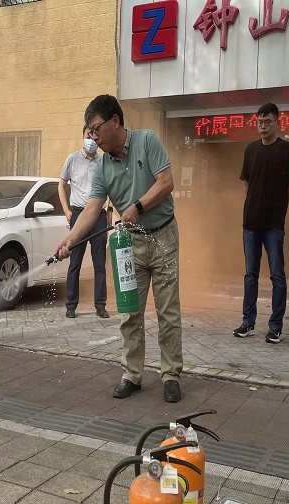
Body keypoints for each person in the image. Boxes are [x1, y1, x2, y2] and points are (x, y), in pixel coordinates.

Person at [54, 94, 183, 403]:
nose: (93, 137)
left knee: (167, 311)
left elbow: (166, 182)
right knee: (129, 311)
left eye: (96, 129)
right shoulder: (101, 167)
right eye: (89, 131)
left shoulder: (147, 141)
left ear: (115, 121)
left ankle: (170, 375)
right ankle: (132, 374)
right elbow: (91, 209)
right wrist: (71, 238)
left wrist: (137, 206)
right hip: (130, 243)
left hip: (163, 237)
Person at [233, 103, 289, 344]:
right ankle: (248, 322)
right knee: (250, 275)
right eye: (260, 122)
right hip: (250, 223)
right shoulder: (251, 150)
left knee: (277, 276)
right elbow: (246, 183)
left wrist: (279, 207)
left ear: (277, 123)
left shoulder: (286, 149)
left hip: (273, 225)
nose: (263, 126)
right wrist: (255, 203)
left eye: (267, 121)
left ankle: (275, 326)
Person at [58, 125, 111, 319]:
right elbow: (61, 185)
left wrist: (109, 211)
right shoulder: (72, 159)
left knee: (99, 263)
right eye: (88, 135)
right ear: (83, 137)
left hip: (98, 216)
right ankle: (71, 305)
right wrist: (67, 211)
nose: (91, 139)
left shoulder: (104, 161)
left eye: (95, 136)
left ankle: (100, 305)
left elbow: (112, 187)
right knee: (75, 262)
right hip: (78, 214)